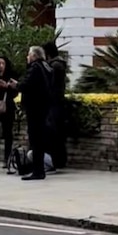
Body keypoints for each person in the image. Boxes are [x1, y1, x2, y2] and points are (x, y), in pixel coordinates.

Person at [11, 46, 53, 181]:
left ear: (34, 56)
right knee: (39, 141)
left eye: (28, 55)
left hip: (35, 108)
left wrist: (16, 85)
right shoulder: (47, 67)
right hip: (44, 108)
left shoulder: (35, 67)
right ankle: (38, 170)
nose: (27, 57)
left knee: (35, 141)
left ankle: (38, 171)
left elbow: (27, 85)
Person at [43, 41, 68, 169]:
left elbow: (51, 86)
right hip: (57, 103)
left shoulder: (54, 66)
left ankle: (55, 161)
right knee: (57, 134)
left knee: (53, 133)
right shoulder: (58, 65)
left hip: (54, 104)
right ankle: (58, 160)